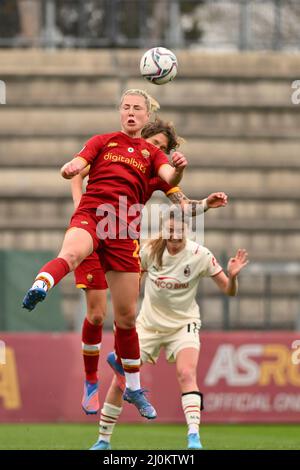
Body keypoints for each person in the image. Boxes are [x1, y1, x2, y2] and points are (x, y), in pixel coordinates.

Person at [22, 89, 188, 419]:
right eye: (125, 107)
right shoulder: (103, 141)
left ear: (145, 115)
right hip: (93, 215)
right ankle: (42, 285)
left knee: (126, 318)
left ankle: (136, 390)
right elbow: (77, 165)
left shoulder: (152, 157)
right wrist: (69, 168)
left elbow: (172, 180)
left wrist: (180, 171)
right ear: (120, 111)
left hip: (123, 233)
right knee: (72, 259)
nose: (130, 112)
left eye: (136, 108)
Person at [71, 117, 228, 415]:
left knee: (126, 312)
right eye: (154, 143)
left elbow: (184, 205)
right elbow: (77, 171)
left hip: (122, 239)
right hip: (94, 229)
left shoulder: (157, 176)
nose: (156, 149)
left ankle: (121, 365)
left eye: (162, 148)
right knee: (95, 314)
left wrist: (206, 203)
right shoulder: (114, 153)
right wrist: (80, 205)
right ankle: (91, 380)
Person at [90, 211, 249, 450]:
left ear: (187, 233)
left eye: (179, 232)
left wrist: (233, 278)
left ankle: (194, 437)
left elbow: (229, 291)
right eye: (170, 231)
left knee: (187, 374)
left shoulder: (200, 255)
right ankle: (103, 440)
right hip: (148, 325)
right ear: (164, 232)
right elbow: (133, 286)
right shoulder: (148, 252)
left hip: (183, 325)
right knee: (121, 379)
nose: (175, 237)